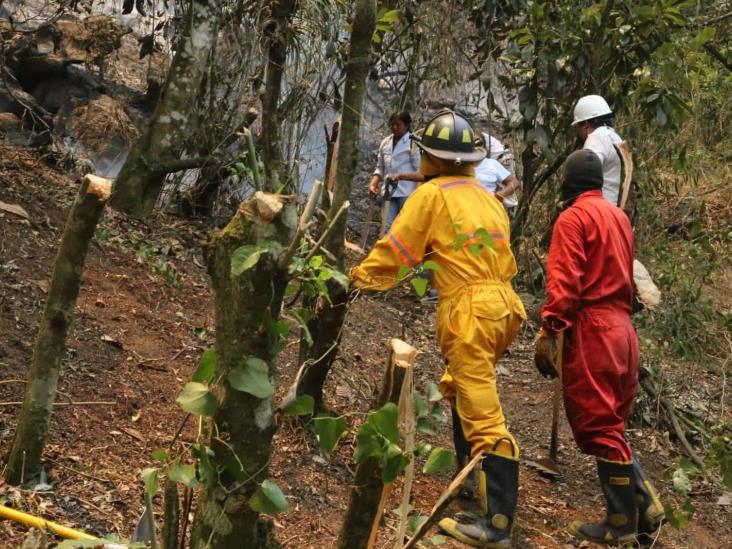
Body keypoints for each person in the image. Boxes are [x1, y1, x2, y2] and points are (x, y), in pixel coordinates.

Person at [352, 109, 526, 548]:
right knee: (466, 387)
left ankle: (499, 526)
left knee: (485, 413)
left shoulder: (431, 195)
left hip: (470, 311)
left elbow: (397, 250)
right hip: (505, 306)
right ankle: (471, 483)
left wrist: (356, 280)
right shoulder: (488, 196)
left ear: (429, 157)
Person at [534, 150, 665, 545]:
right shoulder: (618, 217)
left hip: (595, 329)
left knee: (598, 426)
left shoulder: (573, 219)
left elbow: (565, 282)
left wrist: (549, 330)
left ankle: (620, 524)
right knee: (612, 423)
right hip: (624, 330)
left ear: (568, 184)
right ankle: (644, 502)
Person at [368, 110, 421, 231]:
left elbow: (420, 172)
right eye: (393, 124)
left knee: (404, 228)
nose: (395, 127)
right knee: (386, 228)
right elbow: (380, 168)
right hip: (388, 191)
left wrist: (417, 195)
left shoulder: (413, 144)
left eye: (398, 125)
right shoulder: (385, 143)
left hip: (407, 193)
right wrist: (373, 183)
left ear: (407, 126)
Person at [572, 95, 624, 206]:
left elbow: (587, 173)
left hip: (599, 209)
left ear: (585, 125)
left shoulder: (596, 139)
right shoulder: (615, 137)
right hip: (614, 208)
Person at [474, 133, 521, 203]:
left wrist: (498, 196)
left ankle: (510, 204)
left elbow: (514, 182)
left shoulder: (490, 163)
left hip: (502, 156)